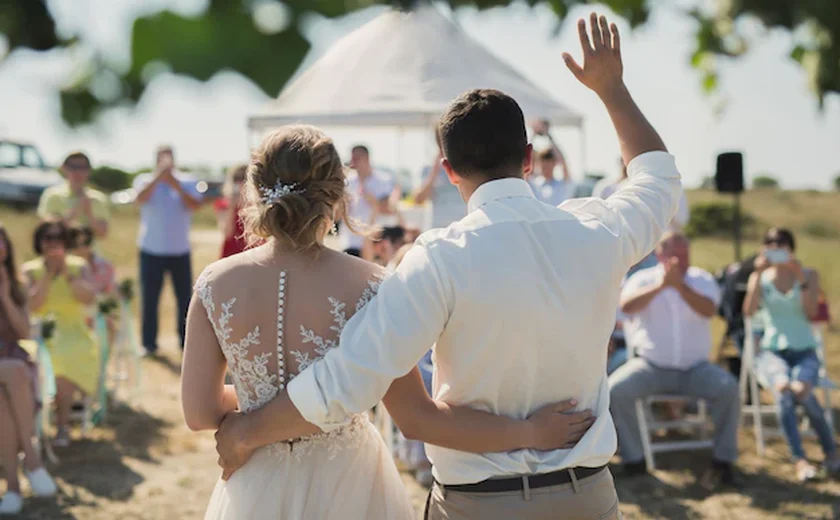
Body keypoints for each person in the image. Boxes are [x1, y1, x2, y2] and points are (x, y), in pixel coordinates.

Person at [215, 15, 683, 518]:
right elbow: (658, 179)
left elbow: (348, 378)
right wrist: (611, 90)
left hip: (478, 504)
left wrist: (248, 430)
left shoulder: (439, 258)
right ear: (528, 158)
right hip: (586, 497)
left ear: (448, 170)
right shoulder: (601, 230)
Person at [181, 125, 595, 520]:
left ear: (255, 192)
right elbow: (418, 417)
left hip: (254, 481)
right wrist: (528, 433)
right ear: (338, 196)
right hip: (346, 482)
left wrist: (259, 403)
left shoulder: (214, 284)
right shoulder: (372, 284)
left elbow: (199, 412)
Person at [609, 232, 739, 486]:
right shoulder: (642, 279)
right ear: (661, 255)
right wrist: (662, 286)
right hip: (650, 367)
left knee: (729, 389)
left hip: (695, 369)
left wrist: (680, 286)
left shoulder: (701, 279)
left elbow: (709, 310)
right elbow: (626, 307)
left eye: (685, 254)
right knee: (616, 390)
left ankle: (723, 462)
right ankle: (634, 460)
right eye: (675, 254)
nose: (681, 260)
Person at [743, 227, 840, 481]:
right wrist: (757, 274)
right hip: (773, 351)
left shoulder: (809, 275)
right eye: (771, 243)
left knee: (802, 392)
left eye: (782, 243)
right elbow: (749, 312)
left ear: (791, 248)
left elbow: (810, 313)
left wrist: (800, 278)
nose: (777, 247)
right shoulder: (760, 278)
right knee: (785, 391)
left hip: (805, 350)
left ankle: (829, 451)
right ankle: (801, 459)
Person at [22, 220, 97, 447]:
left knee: (66, 359)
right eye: (48, 239)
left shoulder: (78, 266)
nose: (53, 244)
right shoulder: (30, 270)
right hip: (40, 333)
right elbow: (31, 306)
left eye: (58, 239)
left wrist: (65, 273)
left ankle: (62, 425)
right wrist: (47, 275)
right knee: (46, 359)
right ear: (40, 242)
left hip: (74, 332)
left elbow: (88, 297)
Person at [0, 224, 57, 515]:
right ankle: (32, 461)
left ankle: (12, 486)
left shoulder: (15, 282)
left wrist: (5, 294)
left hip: (11, 363)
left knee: (7, 389)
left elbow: (23, 332)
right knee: (13, 372)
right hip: (9, 367)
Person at [133, 146, 202, 355]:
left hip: (179, 250)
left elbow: (194, 205)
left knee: (184, 299)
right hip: (150, 249)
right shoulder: (144, 179)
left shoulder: (188, 180)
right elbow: (139, 199)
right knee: (150, 298)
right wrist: (157, 179)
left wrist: (174, 184)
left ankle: (185, 341)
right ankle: (149, 343)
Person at [338, 145, 395, 257]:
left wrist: (373, 201)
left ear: (367, 158)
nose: (354, 162)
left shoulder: (382, 180)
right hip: (350, 239)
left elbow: (387, 209)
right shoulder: (347, 182)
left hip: (374, 239)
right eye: (353, 158)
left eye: (358, 158)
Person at [37, 151, 109, 238]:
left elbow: (103, 233)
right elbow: (46, 231)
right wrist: (75, 211)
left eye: (82, 167)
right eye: (73, 167)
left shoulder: (98, 198)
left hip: (88, 251)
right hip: (59, 251)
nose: (78, 172)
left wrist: (89, 214)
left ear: (89, 170)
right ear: (64, 168)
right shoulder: (52, 195)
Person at [412, 145, 466, 230]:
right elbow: (418, 199)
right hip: (436, 229)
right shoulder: (428, 168)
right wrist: (434, 172)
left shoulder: (466, 166)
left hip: (462, 229)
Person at [214, 165, 249, 258]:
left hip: (252, 251)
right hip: (231, 251)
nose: (240, 182)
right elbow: (227, 233)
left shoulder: (255, 205)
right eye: (236, 178)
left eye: (244, 177)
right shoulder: (223, 204)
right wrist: (232, 207)